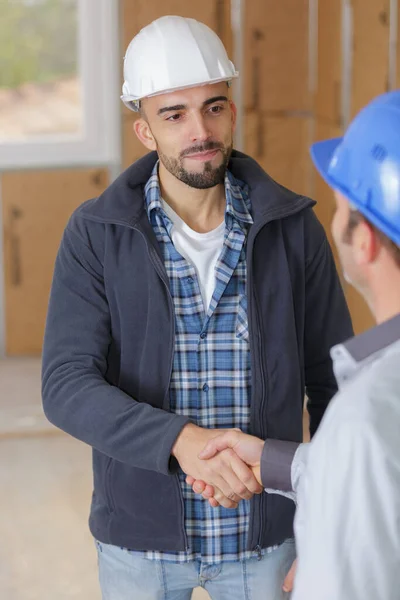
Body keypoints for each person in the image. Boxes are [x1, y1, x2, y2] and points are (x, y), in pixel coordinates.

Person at [41, 15, 352, 600]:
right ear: (144, 131)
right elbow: (65, 385)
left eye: (213, 106)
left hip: (268, 537)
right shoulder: (97, 233)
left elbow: (333, 385)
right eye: (174, 114)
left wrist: (327, 529)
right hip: (140, 543)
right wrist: (180, 441)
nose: (200, 130)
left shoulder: (293, 229)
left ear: (232, 112)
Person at [189, 90, 400, 600]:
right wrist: (276, 461)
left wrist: (325, 534)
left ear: (364, 238)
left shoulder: (366, 414)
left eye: (340, 205)